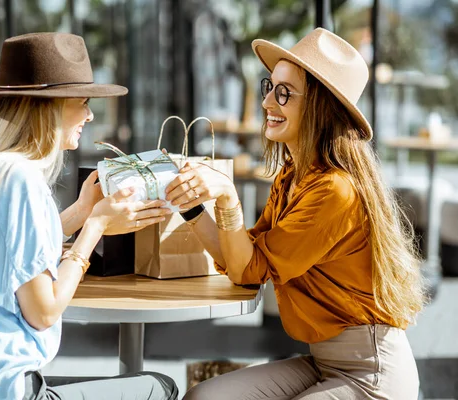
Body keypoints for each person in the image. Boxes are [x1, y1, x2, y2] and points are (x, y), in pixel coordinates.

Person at [167, 28, 425, 399]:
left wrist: (228, 199)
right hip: (323, 362)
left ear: (320, 106)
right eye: (269, 87)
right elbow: (243, 262)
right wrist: (190, 205)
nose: (268, 102)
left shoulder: (335, 191)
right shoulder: (292, 177)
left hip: (372, 373)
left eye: (284, 92)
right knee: (204, 397)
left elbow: (246, 266)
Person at [0, 32, 178, 400]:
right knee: (159, 387)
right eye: (83, 102)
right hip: (4, 392)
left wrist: (80, 211)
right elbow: (43, 311)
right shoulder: (21, 178)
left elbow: (10, 253)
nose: (89, 114)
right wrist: (95, 227)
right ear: (51, 106)